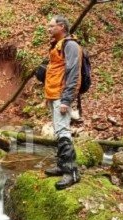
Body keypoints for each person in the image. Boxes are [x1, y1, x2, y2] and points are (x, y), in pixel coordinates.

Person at [42, 15, 82, 190]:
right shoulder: (56, 46)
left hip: (61, 96)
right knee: (59, 131)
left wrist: (66, 99)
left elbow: (73, 73)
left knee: (64, 131)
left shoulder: (71, 45)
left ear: (61, 27)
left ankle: (71, 172)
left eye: (51, 26)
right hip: (53, 95)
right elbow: (54, 73)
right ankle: (61, 165)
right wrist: (48, 98)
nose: (48, 28)